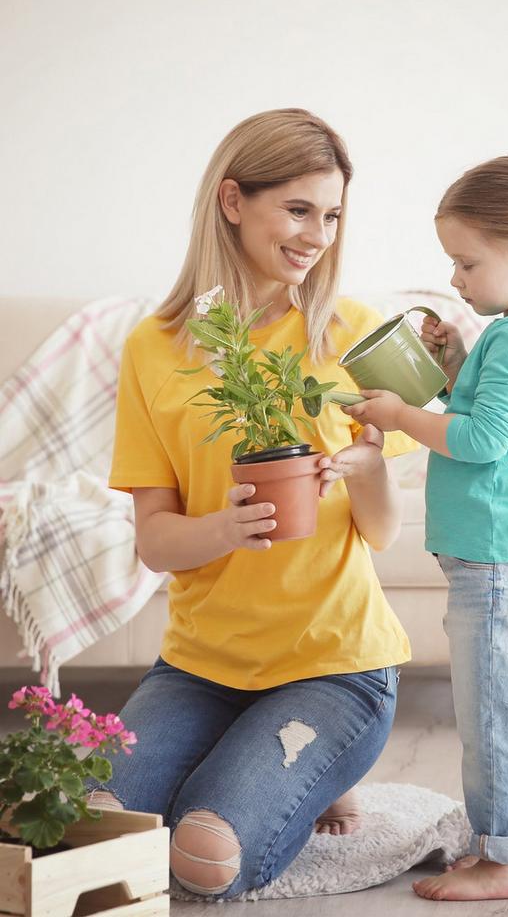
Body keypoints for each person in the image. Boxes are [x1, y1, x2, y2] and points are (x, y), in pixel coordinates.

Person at [87, 108, 418, 898]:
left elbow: (383, 531)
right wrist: (226, 528)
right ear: (232, 201)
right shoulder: (152, 348)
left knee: (204, 856)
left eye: (332, 215)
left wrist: (370, 468)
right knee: (90, 827)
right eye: (297, 209)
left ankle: (310, 768)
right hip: (200, 667)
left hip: (337, 668)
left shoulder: (362, 334)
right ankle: (262, 759)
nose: (317, 235)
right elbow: (156, 542)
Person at [344, 154, 508, 901]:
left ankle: (500, 859)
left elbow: (482, 440)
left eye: (466, 263)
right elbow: (501, 417)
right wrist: (457, 359)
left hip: (496, 554)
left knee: (492, 712)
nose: (457, 280)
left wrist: (399, 415)